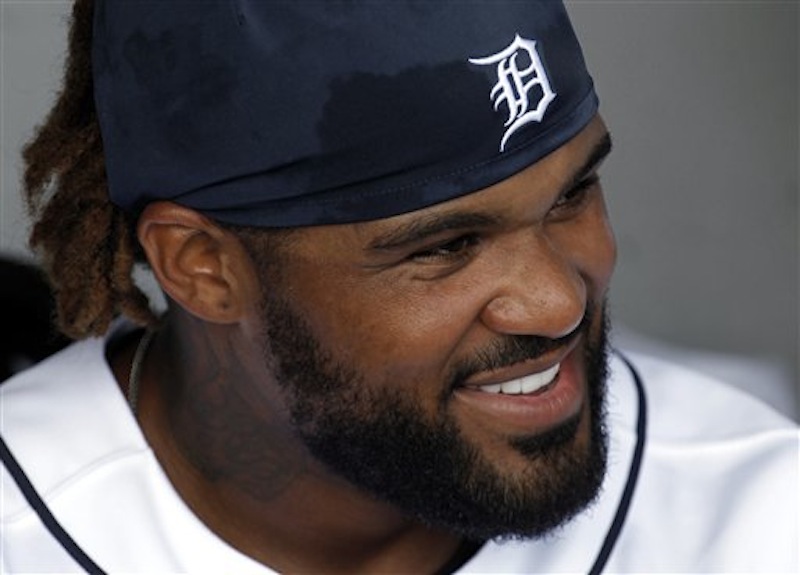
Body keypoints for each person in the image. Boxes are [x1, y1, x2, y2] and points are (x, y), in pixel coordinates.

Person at [1, 1, 797, 573]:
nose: (558, 301)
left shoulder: (756, 515)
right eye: (449, 245)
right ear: (202, 267)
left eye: (571, 194)